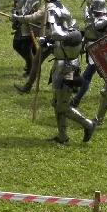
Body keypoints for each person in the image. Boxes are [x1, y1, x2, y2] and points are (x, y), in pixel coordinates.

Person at [42, 8, 96, 144]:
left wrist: (52, 18)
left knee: (63, 105)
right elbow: (57, 46)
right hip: (59, 68)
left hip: (68, 71)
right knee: (57, 103)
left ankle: (88, 124)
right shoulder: (65, 33)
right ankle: (62, 136)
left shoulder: (75, 34)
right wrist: (46, 43)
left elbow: (56, 35)